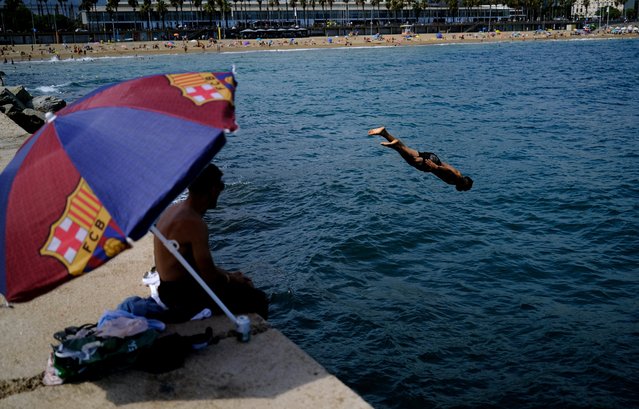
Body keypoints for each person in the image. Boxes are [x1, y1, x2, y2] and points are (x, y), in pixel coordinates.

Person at [153, 163, 269, 321]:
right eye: (221, 185)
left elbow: (200, 266)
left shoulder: (175, 209)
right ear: (212, 189)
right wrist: (234, 281)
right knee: (258, 299)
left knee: (240, 286)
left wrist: (229, 275)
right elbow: (210, 278)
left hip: (168, 288)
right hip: (180, 297)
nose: (221, 190)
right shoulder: (193, 223)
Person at [368, 127, 473, 191]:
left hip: (433, 157)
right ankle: (395, 146)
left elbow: (448, 167)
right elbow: (448, 170)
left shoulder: (459, 174)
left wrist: (436, 164)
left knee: (407, 151)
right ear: (464, 184)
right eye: (464, 188)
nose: (462, 190)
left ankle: (384, 133)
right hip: (432, 164)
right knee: (410, 160)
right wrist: (436, 167)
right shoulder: (457, 179)